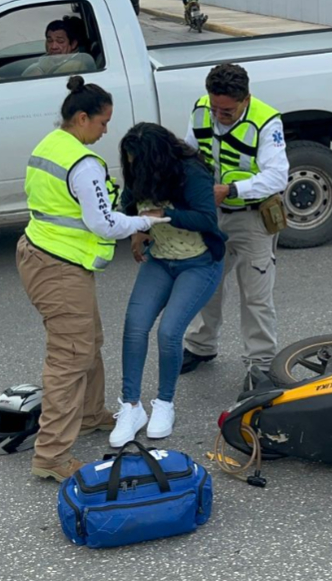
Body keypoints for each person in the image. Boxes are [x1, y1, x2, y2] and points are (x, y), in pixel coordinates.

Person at [16, 77, 167, 482]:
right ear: (81, 118)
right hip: (58, 267)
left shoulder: (50, 145)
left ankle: (89, 413)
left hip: (43, 254)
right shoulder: (82, 164)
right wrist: (143, 221)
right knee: (70, 357)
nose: (105, 131)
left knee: (88, 341)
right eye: (102, 122)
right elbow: (101, 223)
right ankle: (51, 456)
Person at [109, 123, 227, 447]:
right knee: (135, 327)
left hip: (199, 263)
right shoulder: (139, 171)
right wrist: (138, 229)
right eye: (129, 162)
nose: (133, 167)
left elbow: (206, 219)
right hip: (160, 259)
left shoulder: (192, 172)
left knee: (169, 332)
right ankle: (131, 406)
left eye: (138, 162)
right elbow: (129, 204)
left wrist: (165, 214)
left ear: (158, 159)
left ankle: (164, 404)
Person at [180, 63, 289, 373]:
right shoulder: (202, 109)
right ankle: (201, 346)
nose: (217, 115)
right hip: (211, 215)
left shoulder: (266, 121)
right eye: (214, 107)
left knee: (256, 296)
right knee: (206, 285)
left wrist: (231, 189)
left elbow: (277, 177)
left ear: (245, 99)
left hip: (252, 217)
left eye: (226, 110)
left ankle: (261, 365)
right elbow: (190, 151)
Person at [23, 17, 97, 77]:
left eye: (60, 41)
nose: (53, 46)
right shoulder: (48, 60)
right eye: (50, 41)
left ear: (73, 44)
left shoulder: (74, 66)